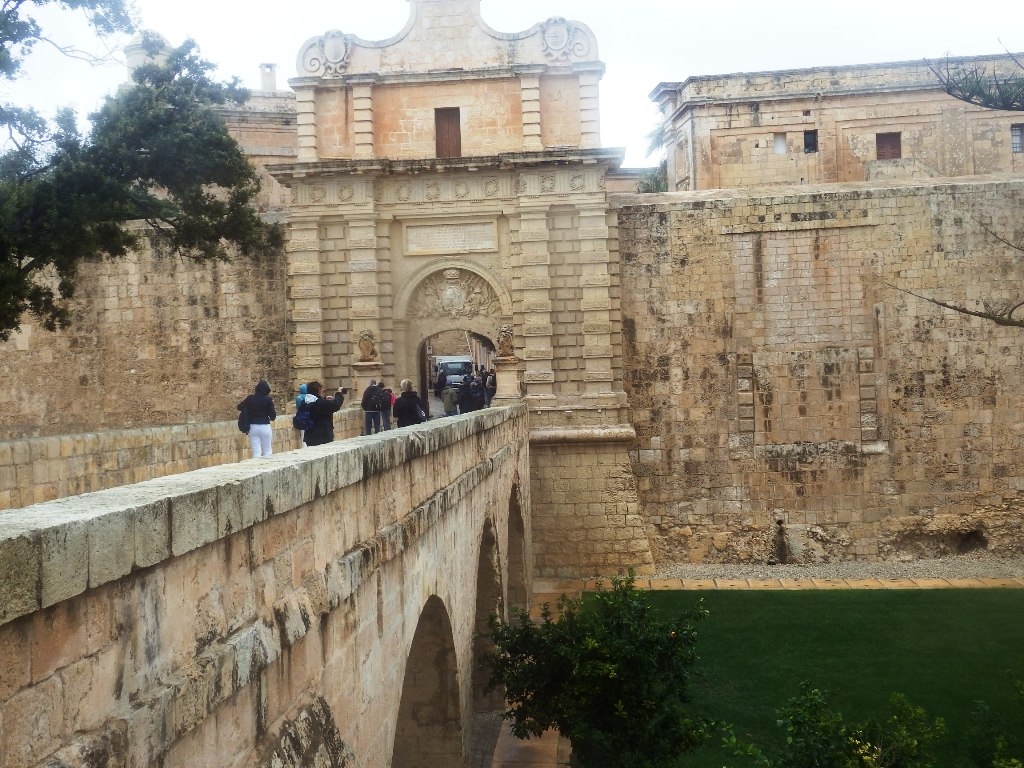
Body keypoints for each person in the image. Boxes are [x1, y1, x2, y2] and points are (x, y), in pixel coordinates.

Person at [238, 379, 276, 458]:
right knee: (267, 449)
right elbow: (273, 416)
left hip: (253, 427)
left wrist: (249, 409)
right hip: (265, 426)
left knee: (256, 451)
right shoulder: (268, 399)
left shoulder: (250, 398)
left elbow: (239, 407)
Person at [303, 381, 345, 446]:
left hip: (309, 436)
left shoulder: (305, 402)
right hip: (322, 436)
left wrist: (324, 399)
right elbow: (336, 404)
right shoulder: (321, 403)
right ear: (319, 390)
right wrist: (339, 393)